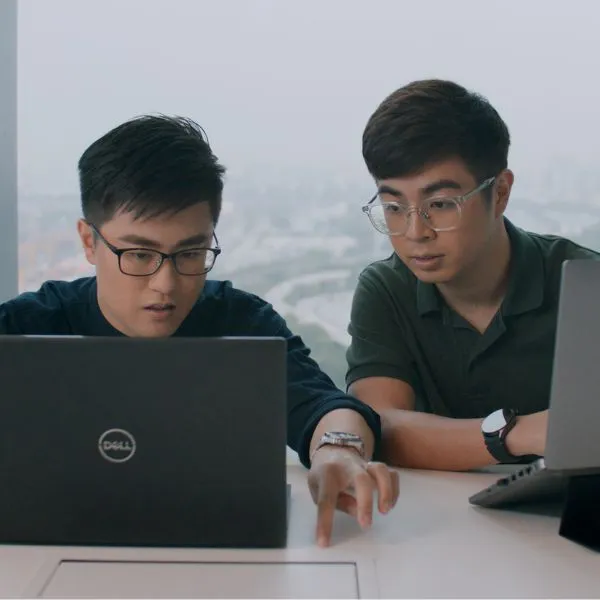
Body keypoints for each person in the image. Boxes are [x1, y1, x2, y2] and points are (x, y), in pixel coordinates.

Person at [0, 115, 399, 546]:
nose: (165, 284)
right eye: (138, 254)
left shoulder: (241, 322)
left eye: (190, 253)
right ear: (88, 241)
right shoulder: (27, 327)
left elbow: (325, 406)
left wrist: (338, 451)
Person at [347, 79, 599, 472]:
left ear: (499, 193)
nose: (416, 232)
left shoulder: (584, 284)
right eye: (394, 207)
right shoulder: (386, 290)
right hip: (440, 525)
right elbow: (380, 426)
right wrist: (522, 433)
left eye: (441, 203)